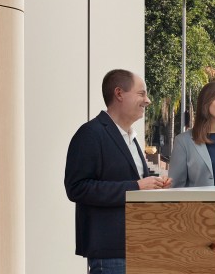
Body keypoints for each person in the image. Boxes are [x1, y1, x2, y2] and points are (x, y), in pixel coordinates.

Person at [64, 69, 171, 274]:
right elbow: (76, 188)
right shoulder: (90, 134)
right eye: (141, 93)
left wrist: (155, 185)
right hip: (110, 252)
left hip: (138, 246)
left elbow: (131, 184)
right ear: (119, 94)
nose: (147, 100)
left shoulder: (131, 138)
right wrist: (136, 186)